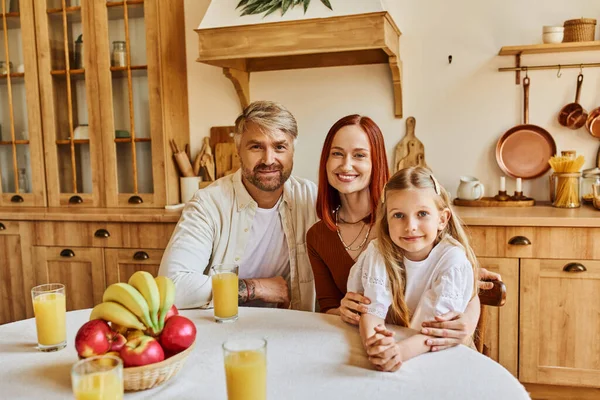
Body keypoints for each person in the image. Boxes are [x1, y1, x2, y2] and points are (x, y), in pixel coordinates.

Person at [307, 115, 499, 352]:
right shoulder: (318, 235)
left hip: (431, 346)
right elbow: (327, 306)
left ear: (376, 162)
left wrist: (467, 323)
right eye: (337, 153)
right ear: (325, 161)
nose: (346, 165)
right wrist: (343, 310)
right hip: (369, 344)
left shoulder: (410, 213)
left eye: (359, 155)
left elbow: (464, 291)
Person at [159, 101, 317, 311]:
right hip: (223, 326)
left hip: (291, 328)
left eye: (280, 147)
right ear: (238, 150)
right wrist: (257, 287)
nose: (269, 159)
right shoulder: (208, 204)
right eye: (256, 147)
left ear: (292, 151)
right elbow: (171, 287)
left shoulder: (312, 198)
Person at [347, 166, 479, 372]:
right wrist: (376, 345)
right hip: (397, 348)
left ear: (442, 219)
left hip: (440, 354)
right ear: (387, 219)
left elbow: (438, 330)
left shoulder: (452, 260)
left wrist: (398, 352)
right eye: (398, 215)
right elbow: (372, 312)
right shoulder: (378, 252)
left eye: (422, 214)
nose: (411, 226)